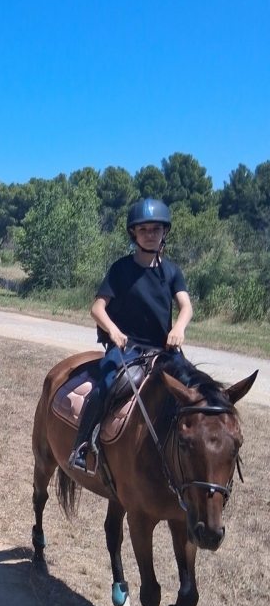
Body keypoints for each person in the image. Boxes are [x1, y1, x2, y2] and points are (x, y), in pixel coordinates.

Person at [68, 198, 192, 472]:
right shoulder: (120, 269)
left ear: (165, 232)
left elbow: (186, 306)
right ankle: (82, 446)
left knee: (192, 389)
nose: (150, 235)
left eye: (155, 229)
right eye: (143, 229)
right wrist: (113, 330)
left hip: (163, 349)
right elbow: (97, 308)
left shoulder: (172, 272)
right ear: (133, 233)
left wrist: (178, 328)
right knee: (105, 386)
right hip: (126, 347)